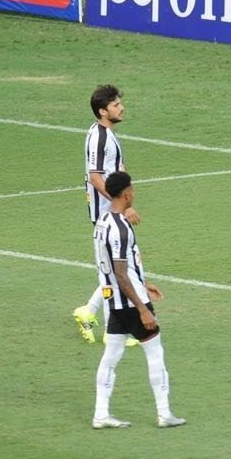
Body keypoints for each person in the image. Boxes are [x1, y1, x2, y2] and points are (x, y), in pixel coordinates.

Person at [92, 171, 185, 429]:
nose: (134, 193)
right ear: (126, 193)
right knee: (155, 352)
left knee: (111, 355)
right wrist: (143, 307)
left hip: (114, 301)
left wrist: (143, 281)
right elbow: (121, 272)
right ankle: (164, 413)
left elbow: (116, 268)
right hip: (131, 302)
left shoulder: (103, 220)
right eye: (133, 189)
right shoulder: (121, 228)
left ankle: (101, 414)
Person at [73, 85, 140, 347]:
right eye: (115, 105)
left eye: (120, 103)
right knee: (119, 268)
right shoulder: (99, 137)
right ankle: (112, 330)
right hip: (106, 213)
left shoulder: (107, 134)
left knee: (118, 267)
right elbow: (95, 176)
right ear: (103, 111)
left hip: (111, 210)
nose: (121, 107)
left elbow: (114, 169)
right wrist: (120, 203)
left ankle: (89, 311)